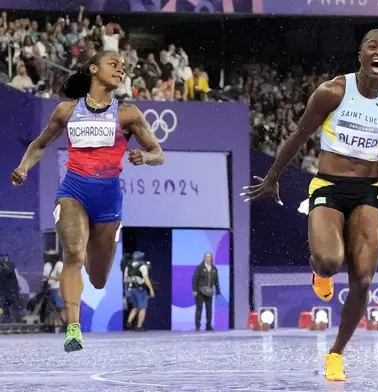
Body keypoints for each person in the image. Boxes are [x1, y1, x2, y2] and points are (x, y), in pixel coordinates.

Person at [241, 29, 378, 381]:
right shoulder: (333, 92)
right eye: (373, 46)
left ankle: (335, 353)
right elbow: (300, 134)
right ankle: (319, 271)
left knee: (364, 280)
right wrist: (273, 175)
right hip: (328, 185)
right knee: (329, 261)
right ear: (361, 55)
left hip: (368, 190)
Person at [10, 48, 164, 352]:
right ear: (93, 69)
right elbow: (39, 145)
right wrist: (23, 167)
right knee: (74, 255)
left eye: (123, 66)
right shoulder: (66, 111)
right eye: (113, 64)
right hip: (73, 191)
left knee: (97, 279)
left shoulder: (128, 113)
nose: (120, 69)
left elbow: (158, 154)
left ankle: (94, 271)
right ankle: (73, 329)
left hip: (108, 201)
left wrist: (144, 156)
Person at [124, 251, 155, 331]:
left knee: (135, 307)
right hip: (140, 289)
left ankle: (128, 322)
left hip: (131, 289)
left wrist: (127, 290)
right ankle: (139, 326)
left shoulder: (128, 267)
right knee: (143, 308)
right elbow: (146, 278)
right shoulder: (142, 266)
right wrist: (151, 289)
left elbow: (125, 279)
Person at [192, 252, 222, 331]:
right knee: (199, 309)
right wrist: (194, 290)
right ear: (204, 258)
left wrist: (218, 292)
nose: (209, 258)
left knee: (209, 309)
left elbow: (216, 282)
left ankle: (208, 326)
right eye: (207, 257)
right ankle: (197, 326)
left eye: (210, 257)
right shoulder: (199, 267)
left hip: (209, 292)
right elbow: (195, 279)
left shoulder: (214, 269)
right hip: (200, 292)